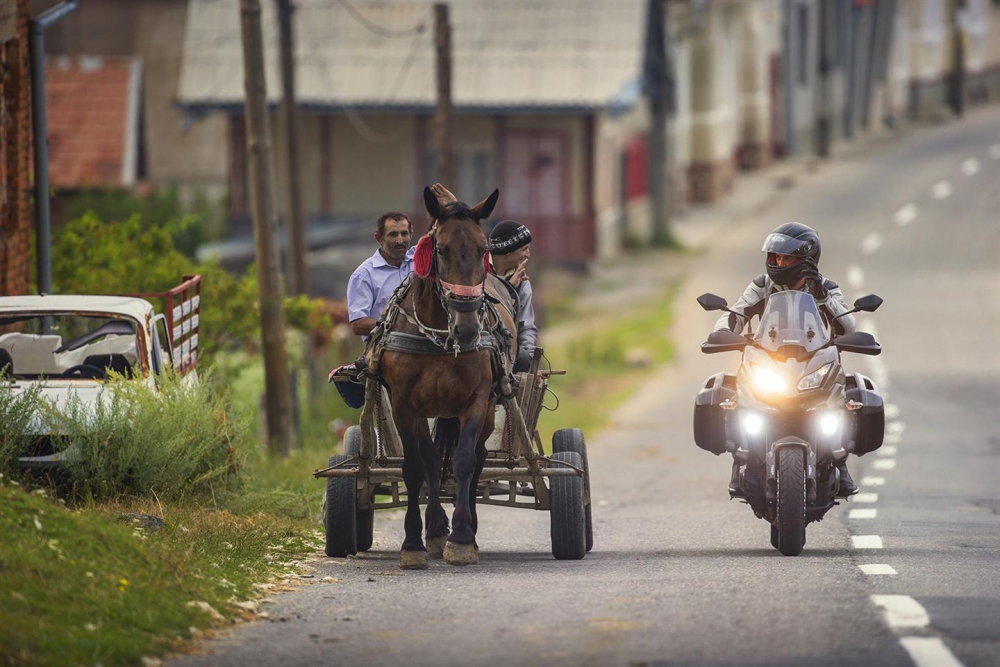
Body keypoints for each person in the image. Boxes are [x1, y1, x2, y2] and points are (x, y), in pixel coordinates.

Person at [717, 222, 859, 497]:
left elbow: (848, 326)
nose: (780, 262)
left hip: (812, 361)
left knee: (840, 396)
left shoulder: (825, 287)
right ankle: (741, 459)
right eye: (776, 257)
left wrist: (822, 296)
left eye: (787, 258)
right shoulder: (762, 285)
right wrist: (723, 331)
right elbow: (736, 313)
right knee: (738, 395)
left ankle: (839, 461)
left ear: (806, 259)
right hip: (771, 359)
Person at [347, 212, 414, 339]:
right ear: (379, 238)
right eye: (393, 234)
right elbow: (358, 324)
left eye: (404, 234)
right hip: (385, 349)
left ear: (411, 235)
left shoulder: (420, 262)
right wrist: (396, 326)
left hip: (424, 349)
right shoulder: (364, 274)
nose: (400, 240)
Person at [489, 220, 538, 373]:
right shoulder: (478, 273)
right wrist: (507, 289)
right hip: (480, 344)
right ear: (508, 250)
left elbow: (527, 326)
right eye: (524, 249)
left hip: (507, 348)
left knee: (522, 358)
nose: (528, 254)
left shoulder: (522, 281)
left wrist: (529, 359)